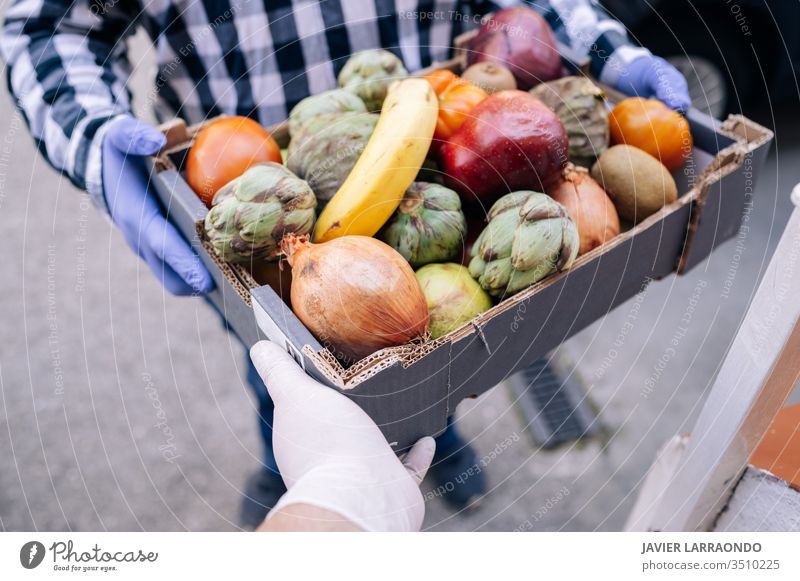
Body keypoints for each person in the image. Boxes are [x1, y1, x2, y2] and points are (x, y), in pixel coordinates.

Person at [1, 0, 691, 528]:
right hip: (250, 209)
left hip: (435, 161)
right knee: (277, 372)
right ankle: (291, 469)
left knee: (430, 343)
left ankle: (437, 438)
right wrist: (92, 137)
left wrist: (597, 43)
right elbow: (50, 27)